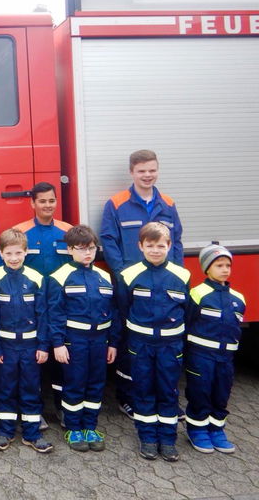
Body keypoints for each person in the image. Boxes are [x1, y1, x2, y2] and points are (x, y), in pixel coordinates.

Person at [100, 149, 184, 420]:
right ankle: (128, 397)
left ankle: (166, 399)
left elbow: (178, 240)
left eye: (152, 170)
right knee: (130, 341)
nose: (147, 175)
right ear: (132, 172)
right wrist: (123, 272)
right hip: (132, 284)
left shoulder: (168, 203)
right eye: (142, 171)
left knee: (166, 343)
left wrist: (177, 271)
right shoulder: (116, 203)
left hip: (164, 282)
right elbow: (108, 239)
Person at [116, 222, 190, 462]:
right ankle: (147, 437)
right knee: (144, 389)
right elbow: (124, 308)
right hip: (141, 344)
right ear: (140, 246)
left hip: (170, 345)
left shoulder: (182, 275)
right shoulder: (129, 275)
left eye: (161, 245)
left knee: (168, 390)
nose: (155, 250)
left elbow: (186, 311)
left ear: (169, 246)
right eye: (150, 245)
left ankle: (168, 439)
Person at [47, 225, 120, 452]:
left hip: (100, 341)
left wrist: (113, 343)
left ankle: (90, 426)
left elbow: (114, 312)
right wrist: (58, 343)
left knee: (96, 384)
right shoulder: (59, 277)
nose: (87, 253)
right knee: (75, 384)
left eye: (91, 248)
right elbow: (54, 313)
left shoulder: (104, 276)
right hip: (74, 341)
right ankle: (73, 427)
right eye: (81, 249)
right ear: (70, 250)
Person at [0, 228, 52, 453]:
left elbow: (43, 314)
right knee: (6, 388)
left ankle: (32, 433)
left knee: (31, 387)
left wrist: (43, 345)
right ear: (1, 253)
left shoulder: (36, 278)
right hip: (6, 347)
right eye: (9, 253)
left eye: (18, 253)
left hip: (31, 346)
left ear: (26, 252)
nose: (14, 258)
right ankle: (5, 431)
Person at [13, 181, 72, 428]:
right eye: (42, 201)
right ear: (32, 203)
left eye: (51, 200)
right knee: (31, 361)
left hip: (61, 306)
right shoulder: (20, 232)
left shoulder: (68, 231)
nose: (48, 205)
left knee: (63, 359)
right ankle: (32, 411)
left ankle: (62, 407)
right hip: (31, 307)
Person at [185, 245, 245, 454]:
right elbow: (188, 321)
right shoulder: (198, 294)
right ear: (206, 268)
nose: (225, 269)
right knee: (200, 391)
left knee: (221, 393)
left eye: (228, 265)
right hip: (201, 356)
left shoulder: (238, 299)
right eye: (219, 265)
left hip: (225, 358)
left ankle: (217, 429)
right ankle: (197, 430)